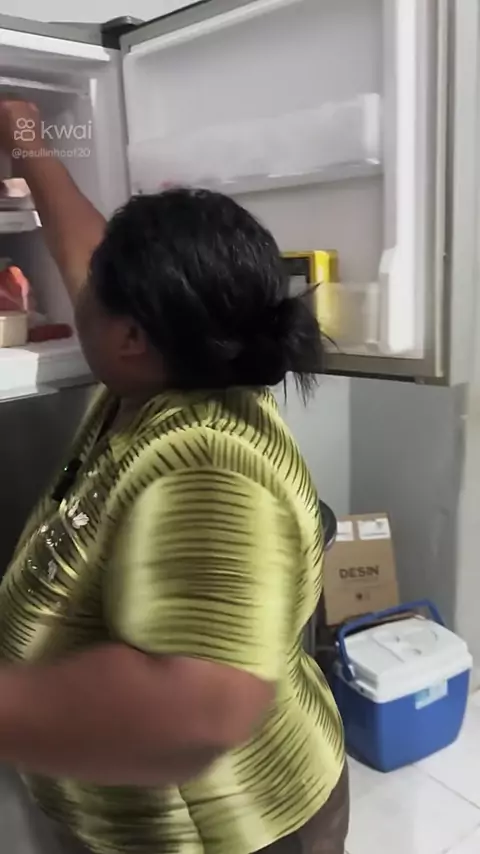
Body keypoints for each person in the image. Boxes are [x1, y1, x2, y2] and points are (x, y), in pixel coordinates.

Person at [0, 100, 348, 854]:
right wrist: (24, 133)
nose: (81, 285)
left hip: (230, 831)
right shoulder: (166, 367)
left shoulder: (209, 464)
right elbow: (81, 245)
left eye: (94, 291)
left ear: (130, 334)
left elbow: (197, 711)